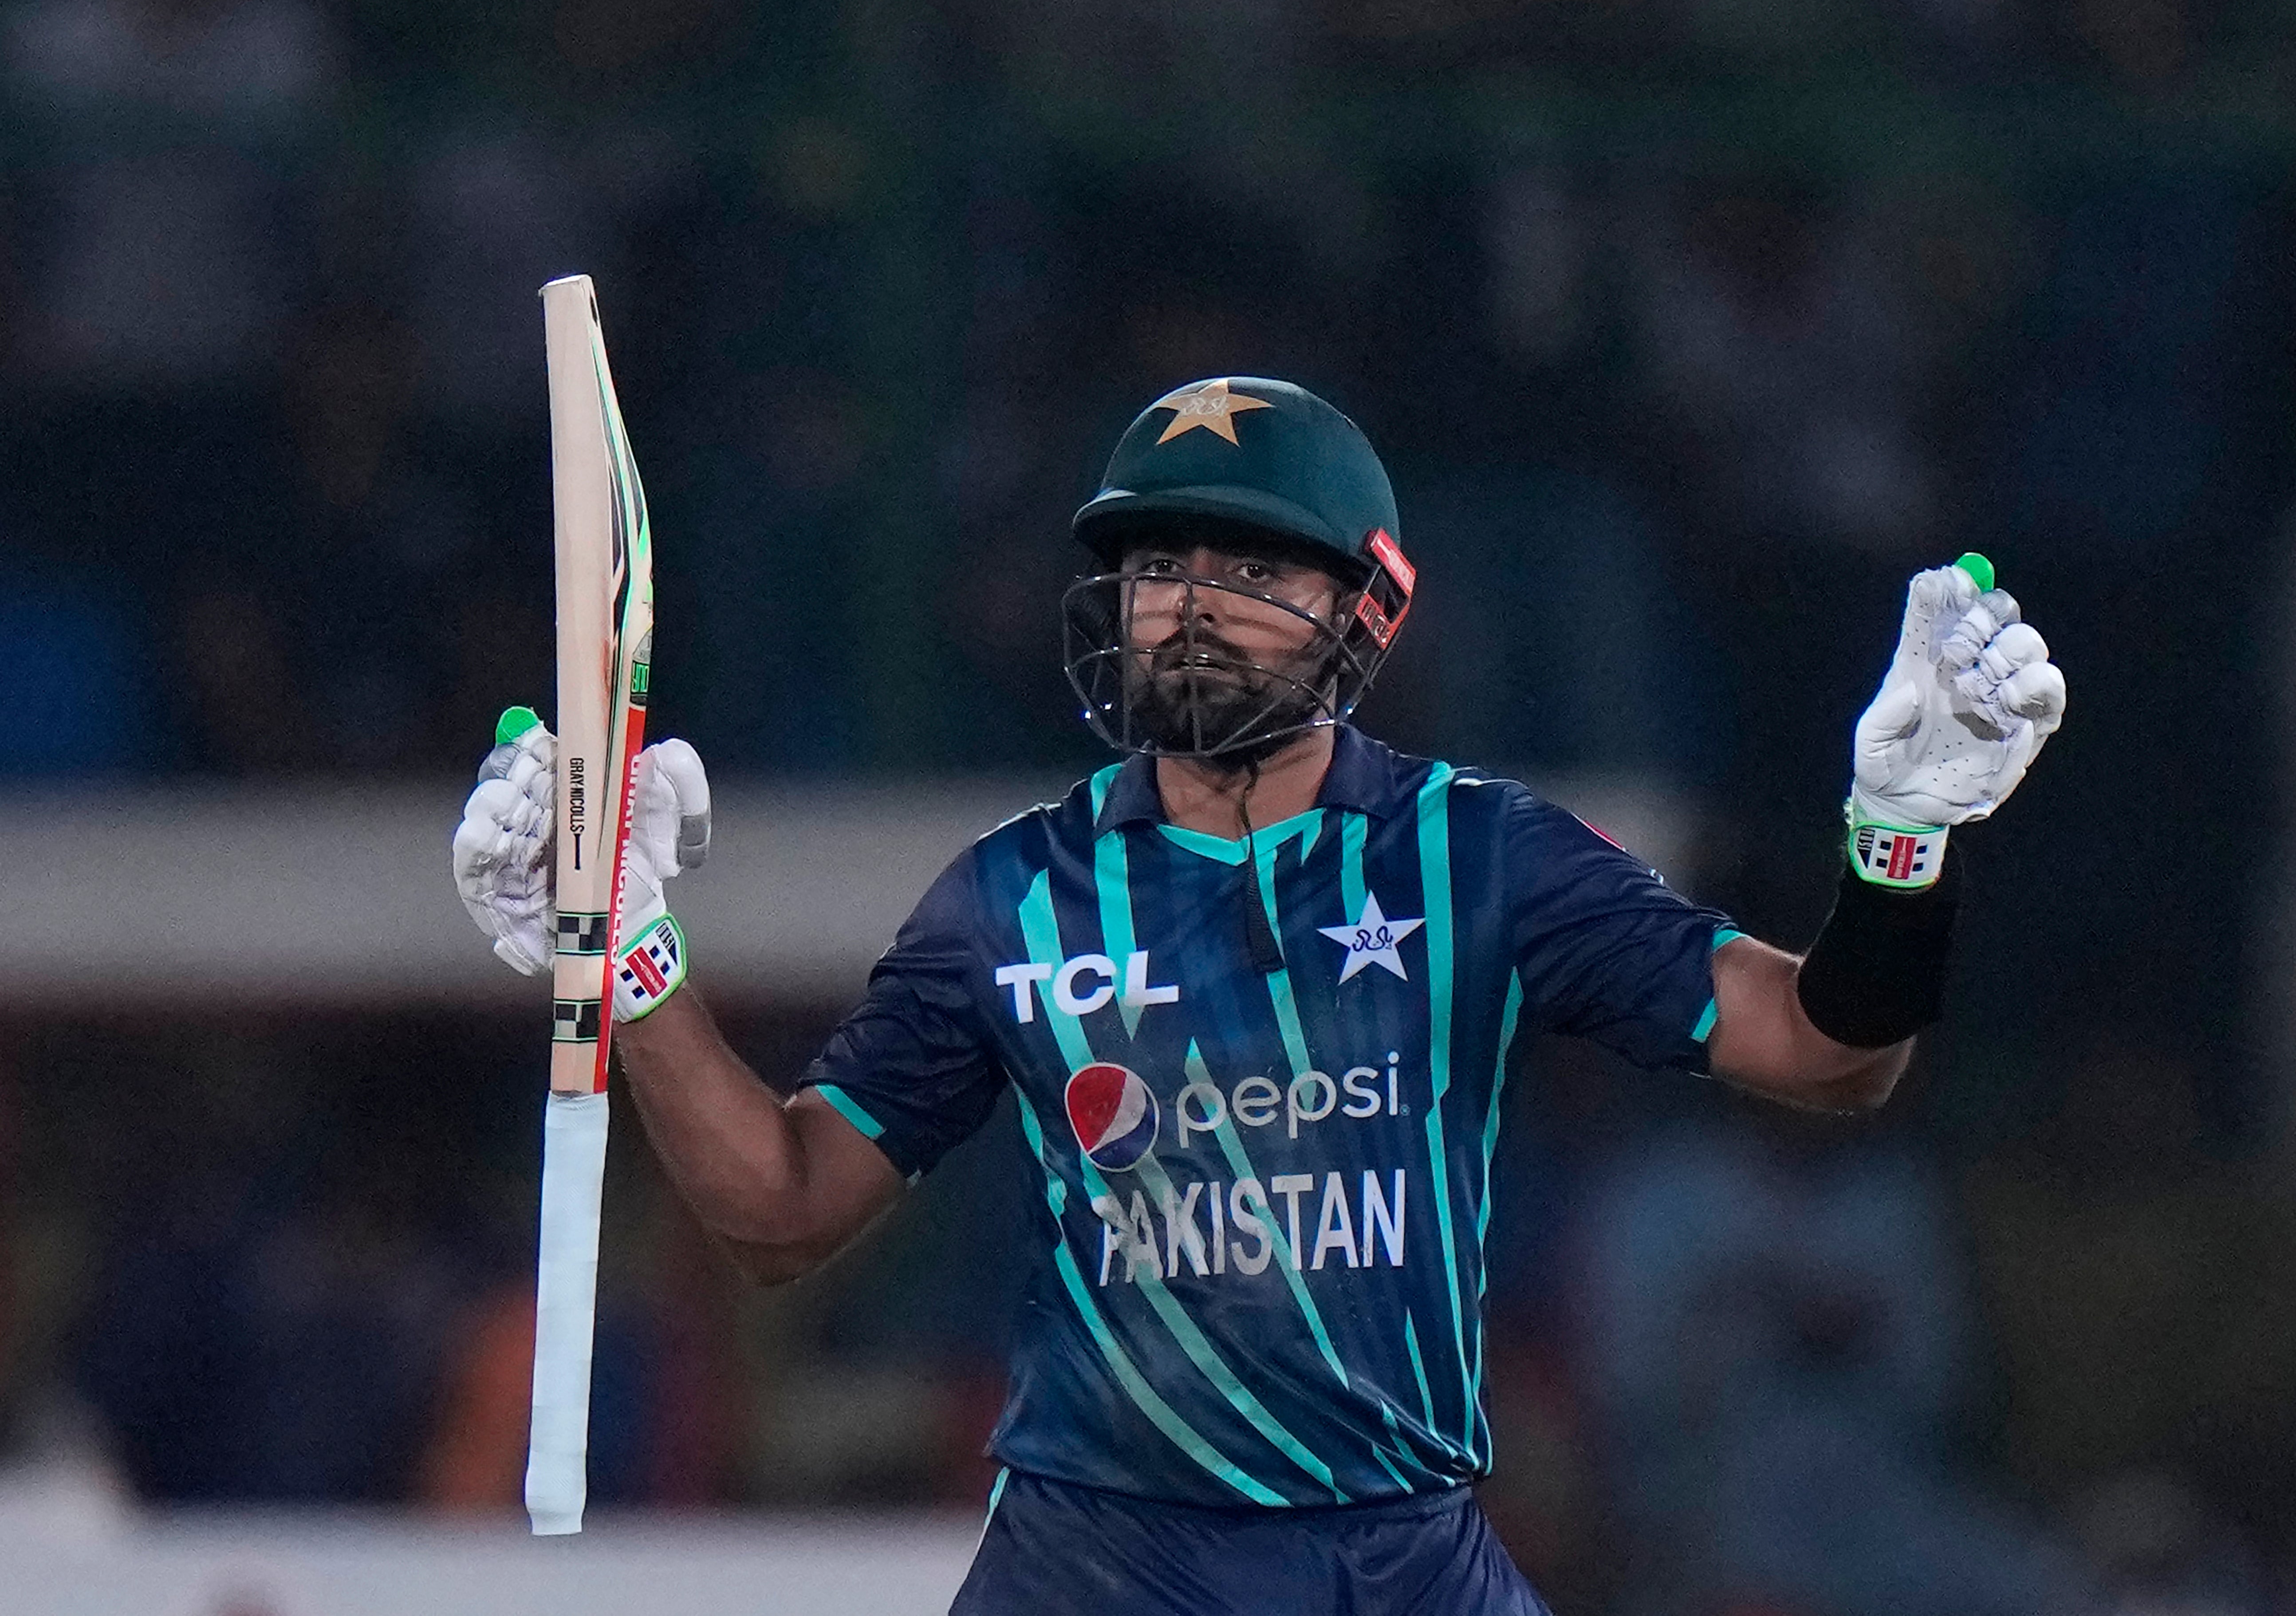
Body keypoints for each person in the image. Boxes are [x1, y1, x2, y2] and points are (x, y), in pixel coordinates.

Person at [452, 376, 2067, 1614]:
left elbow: (1825, 1054)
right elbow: (782, 1211)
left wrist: (1902, 848)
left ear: (1367, 609)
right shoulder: (1013, 896)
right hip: (1099, 1561)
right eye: (1158, 560)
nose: (1189, 599)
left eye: (1248, 565)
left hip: (1395, 1552)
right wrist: (632, 948)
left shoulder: (1482, 859)